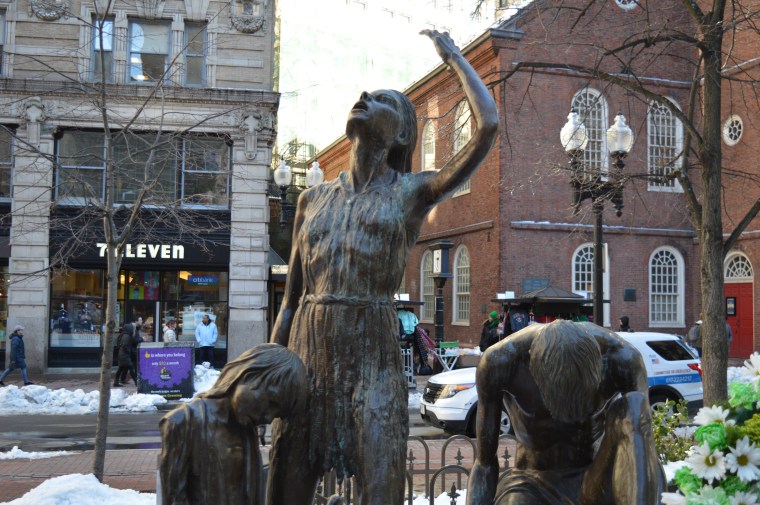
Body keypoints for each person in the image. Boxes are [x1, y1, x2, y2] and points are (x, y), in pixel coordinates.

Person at [268, 30, 498, 505]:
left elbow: (487, 127)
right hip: (308, 355)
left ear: (400, 134)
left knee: (380, 486)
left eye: (383, 100)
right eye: (366, 95)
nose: (365, 97)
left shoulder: (410, 192)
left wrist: (455, 58)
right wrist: (271, 369)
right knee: (285, 487)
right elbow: (290, 302)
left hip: (372, 358)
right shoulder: (311, 199)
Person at [467, 320, 664, 505]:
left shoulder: (622, 359)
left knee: (635, 407)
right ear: (533, 370)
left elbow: (643, 445)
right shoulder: (501, 362)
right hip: (531, 480)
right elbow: (485, 463)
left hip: (593, 477)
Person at [159, 343, 308, 505]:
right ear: (250, 375)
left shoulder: (246, 429)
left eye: (276, 414)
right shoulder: (182, 422)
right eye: (271, 403)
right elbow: (174, 499)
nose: (269, 418)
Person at [113, 322, 141, 387]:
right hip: (125, 355)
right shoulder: (127, 336)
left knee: (120, 369)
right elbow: (125, 345)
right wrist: (128, 351)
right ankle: (137, 383)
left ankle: (116, 382)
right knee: (131, 369)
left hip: (122, 354)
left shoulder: (125, 335)